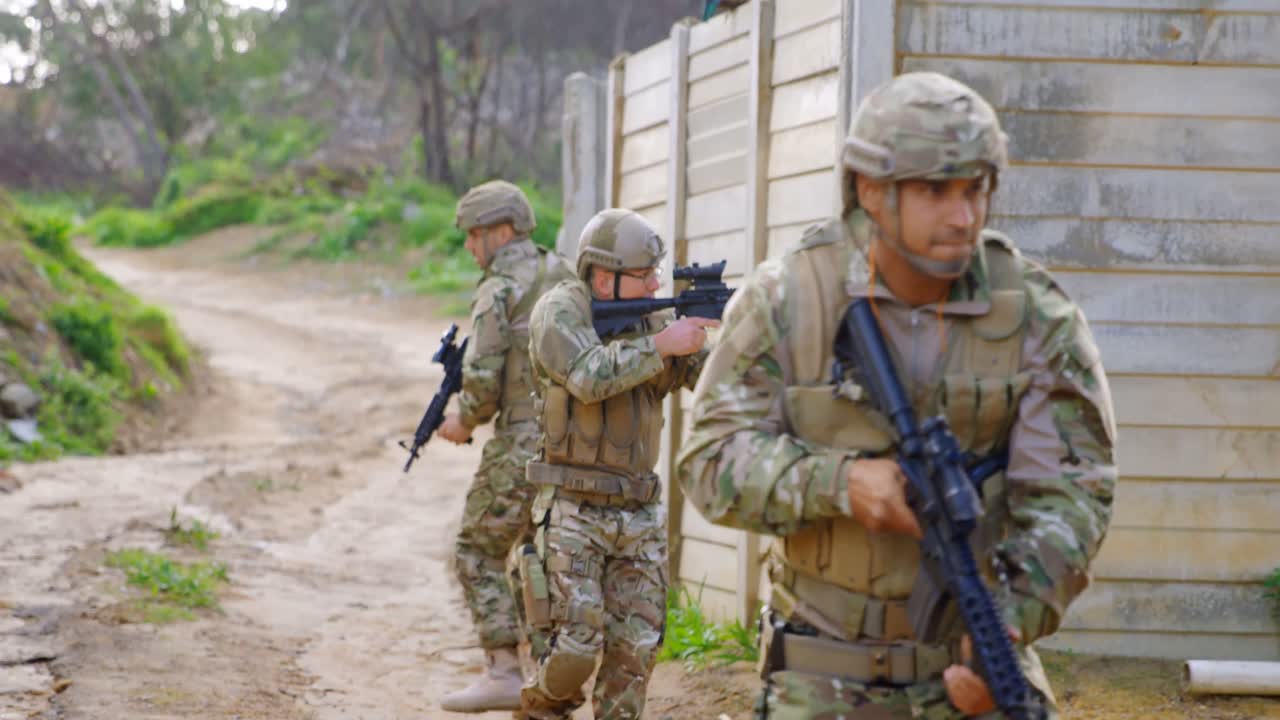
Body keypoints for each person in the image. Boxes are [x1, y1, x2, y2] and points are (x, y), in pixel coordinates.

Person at [675, 72, 1117, 719]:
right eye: (936, 190)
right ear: (871, 190)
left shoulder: (1034, 310)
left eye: (976, 189)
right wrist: (838, 482)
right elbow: (708, 462)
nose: (963, 216)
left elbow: (1076, 490)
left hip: (975, 654)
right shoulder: (790, 299)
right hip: (821, 666)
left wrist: (1010, 621)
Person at [517, 208, 716, 719]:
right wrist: (660, 346)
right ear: (604, 276)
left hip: (637, 510)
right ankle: (538, 706)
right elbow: (586, 376)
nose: (655, 284)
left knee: (635, 653)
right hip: (572, 506)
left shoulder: (652, 315)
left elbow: (706, 378)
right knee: (573, 650)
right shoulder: (559, 311)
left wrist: (719, 341)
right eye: (644, 275)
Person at [437, 180, 574, 713]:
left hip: (521, 441)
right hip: (574, 440)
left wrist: (463, 420)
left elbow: (485, 378)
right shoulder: (563, 272)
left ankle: (501, 667)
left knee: (476, 548)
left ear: (501, 231)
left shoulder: (499, 287)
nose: (471, 247)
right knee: (535, 557)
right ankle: (548, 682)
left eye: (474, 235)